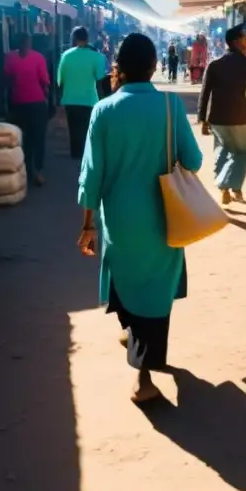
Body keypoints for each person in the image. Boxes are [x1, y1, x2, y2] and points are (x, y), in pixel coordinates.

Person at [77, 33, 203, 403]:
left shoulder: (103, 110)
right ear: (154, 66)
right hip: (163, 215)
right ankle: (144, 378)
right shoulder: (170, 107)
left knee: (124, 279)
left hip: (117, 218)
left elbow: (91, 175)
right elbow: (193, 161)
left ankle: (129, 331)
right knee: (155, 293)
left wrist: (87, 225)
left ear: (120, 67)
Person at [197, 25, 246, 205]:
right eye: (245, 38)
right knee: (240, 153)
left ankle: (224, 187)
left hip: (218, 118)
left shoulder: (214, 65)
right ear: (236, 41)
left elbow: (205, 94)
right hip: (241, 117)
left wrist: (202, 119)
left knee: (222, 150)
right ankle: (235, 187)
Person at [5, 33, 51, 185]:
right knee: (33, 138)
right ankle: (33, 171)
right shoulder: (37, 58)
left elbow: (8, 80)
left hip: (23, 103)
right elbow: (44, 82)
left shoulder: (12, 58)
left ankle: (32, 171)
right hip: (32, 104)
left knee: (29, 138)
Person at [58, 26, 106, 159]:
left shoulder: (65, 56)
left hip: (70, 99)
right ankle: (86, 154)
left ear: (74, 39)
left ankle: (75, 153)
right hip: (90, 100)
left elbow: (60, 81)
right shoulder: (98, 57)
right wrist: (102, 100)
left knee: (73, 128)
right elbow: (100, 81)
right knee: (87, 128)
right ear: (87, 38)